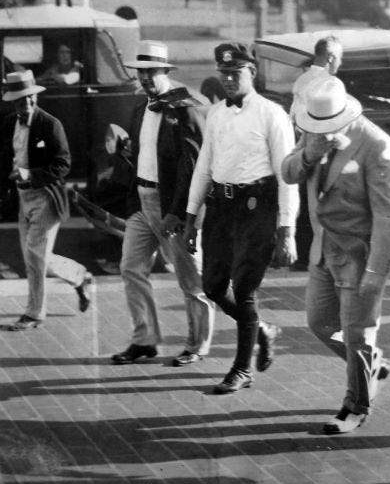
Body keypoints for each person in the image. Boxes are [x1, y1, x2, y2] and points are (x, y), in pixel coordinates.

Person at [281, 76, 390, 434]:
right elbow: (287, 172)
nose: (321, 131)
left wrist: (377, 272)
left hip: (359, 254)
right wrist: (308, 154)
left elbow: (387, 215)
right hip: (322, 250)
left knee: (357, 333)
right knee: (319, 323)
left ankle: (355, 406)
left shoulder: (378, 146)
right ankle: (370, 365)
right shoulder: (315, 128)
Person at [182, 43, 298, 394]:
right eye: (224, 73)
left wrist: (286, 230)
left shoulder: (271, 114)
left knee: (244, 288)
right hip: (220, 208)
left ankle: (241, 369)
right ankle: (262, 329)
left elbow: (286, 176)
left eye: (236, 73)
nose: (229, 79)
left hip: (256, 209)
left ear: (252, 73)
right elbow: (204, 166)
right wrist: (191, 217)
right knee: (214, 286)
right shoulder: (215, 114)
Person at [110, 41, 215, 366]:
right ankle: (145, 340)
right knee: (130, 267)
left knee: (190, 279)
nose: (144, 79)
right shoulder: (141, 109)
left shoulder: (186, 108)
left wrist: (177, 212)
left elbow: (193, 167)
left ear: (164, 72)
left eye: (151, 72)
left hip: (172, 207)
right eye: (140, 73)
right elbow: (145, 155)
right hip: (142, 204)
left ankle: (198, 344)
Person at [0, 70, 93, 330]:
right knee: (33, 257)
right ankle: (79, 276)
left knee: (35, 255)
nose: (27, 104)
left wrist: (31, 174)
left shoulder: (50, 124)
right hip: (22, 198)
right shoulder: (9, 124)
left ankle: (34, 313)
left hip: (46, 198)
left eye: (30, 98)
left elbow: (63, 165)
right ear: (13, 102)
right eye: (20, 100)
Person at [289, 36, 345, 272]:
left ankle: (304, 255)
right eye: (339, 59)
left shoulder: (302, 79)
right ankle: (315, 254)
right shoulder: (328, 82)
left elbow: (294, 115)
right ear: (331, 57)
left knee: (305, 196)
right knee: (321, 198)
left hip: (301, 142)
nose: (340, 64)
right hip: (320, 142)